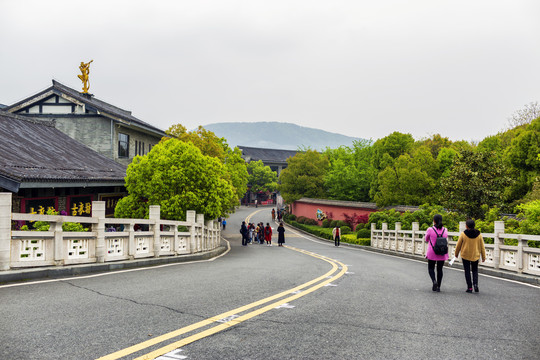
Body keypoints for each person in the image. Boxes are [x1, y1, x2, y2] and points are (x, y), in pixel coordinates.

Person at [454, 219, 486, 293]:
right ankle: (475, 285)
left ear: (466, 226)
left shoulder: (463, 234)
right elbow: (482, 246)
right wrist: (483, 257)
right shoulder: (479, 234)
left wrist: (456, 254)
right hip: (475, 255)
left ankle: (469, 287)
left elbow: (458, 245)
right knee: (475, 270)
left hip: (465, 255)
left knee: (467, 271)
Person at [424, 214, 449, 292]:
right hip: (442, 252)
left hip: (432, 252)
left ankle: (434, 281)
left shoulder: (430, 229)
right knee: (440, 269)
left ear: (434, 221)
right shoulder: (445, 230)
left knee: (431, 268)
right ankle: (438, 286)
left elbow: (426, 239)